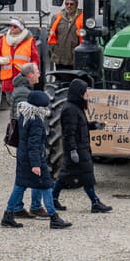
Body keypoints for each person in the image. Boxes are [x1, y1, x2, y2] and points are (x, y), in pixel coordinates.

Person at [1, 91, 71, 230]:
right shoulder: (37, 121)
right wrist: (36, 165)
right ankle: (54, 217)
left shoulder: (24, 115)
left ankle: (8, 215)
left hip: (23, 157)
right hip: (34, 160)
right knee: (46, 186)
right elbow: (33, 145)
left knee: (20, 186)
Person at [52, 79, 112, 213]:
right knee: (85, 175)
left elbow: (81, 125)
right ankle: (95, 202)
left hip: (81, 147)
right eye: (85, 92)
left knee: (67, 175)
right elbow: (69, 133)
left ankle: (53, 198)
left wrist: (94, 125)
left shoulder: (76, 107)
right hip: (77, 148)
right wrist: (73, 150)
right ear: (79, 93)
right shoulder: (70, 110)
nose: (87, 95)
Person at [8, 63, 48, 219]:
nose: (39, 74)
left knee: (24, 177)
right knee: (32, 174)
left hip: (25, 141)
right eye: (37, 71)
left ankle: (18, 207)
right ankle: (33, 206)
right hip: (28, 142)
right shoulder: (24, 93)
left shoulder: (22, 89)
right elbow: (26, 119)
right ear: (30, 74)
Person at [0, 19, 41, 100]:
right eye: (10, 26)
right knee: (11, 103)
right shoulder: (3, 39)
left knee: (23, 102)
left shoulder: (29, 41)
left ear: (21, 28)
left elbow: (35, 59)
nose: (12, 28)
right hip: (8, 79)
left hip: (23, 79)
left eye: (15, 26)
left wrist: (32, 73)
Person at [48, 0, 84, 69]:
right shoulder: (56, 17)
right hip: (59, 57)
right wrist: (53, 49)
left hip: (75, 57)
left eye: (71, 4)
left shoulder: (83, 18)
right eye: (67, 4)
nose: (69, 6)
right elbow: (51, 33)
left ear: (76, 5)